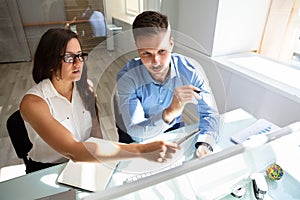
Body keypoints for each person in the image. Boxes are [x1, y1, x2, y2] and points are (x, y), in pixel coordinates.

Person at [19, 28, 178, 173]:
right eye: (69, 57)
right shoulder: (33, 103)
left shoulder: (86, 88)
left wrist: (105, 163)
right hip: (48, 170)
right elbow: (73, 150)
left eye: (80, 55)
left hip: (84, 162)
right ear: (50, 62)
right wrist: (141, 151)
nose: (78, 63)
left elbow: (96, 136)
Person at [116, 11, 220, 158]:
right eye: (146, 53)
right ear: (137, 48)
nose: (156, 62)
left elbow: (210, 113)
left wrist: (206, 143)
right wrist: (169, 112)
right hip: (135, 137)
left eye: (162, 51)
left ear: (171, 44)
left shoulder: (191, 70)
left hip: (172, 130)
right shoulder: (127, 77)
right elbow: (138, 134)